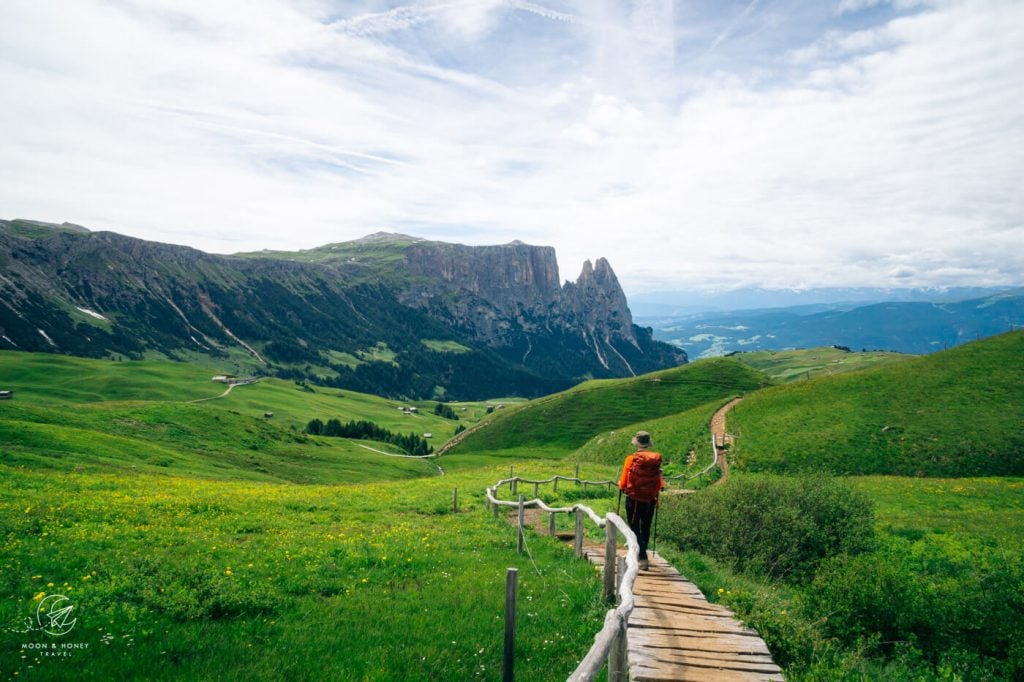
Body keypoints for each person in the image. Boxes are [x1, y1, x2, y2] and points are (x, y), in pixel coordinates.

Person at [618, 430, 663, 570]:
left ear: (637, 443)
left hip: (634, 498)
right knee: (645, 527)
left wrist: (621, 486)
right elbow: (659, 481)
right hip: (651, 499)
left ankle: (642, 557)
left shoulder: (631, 459)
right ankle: (640, 554)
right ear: (648, 444)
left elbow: (623, 481)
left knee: (634, 527)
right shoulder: (654, 460)